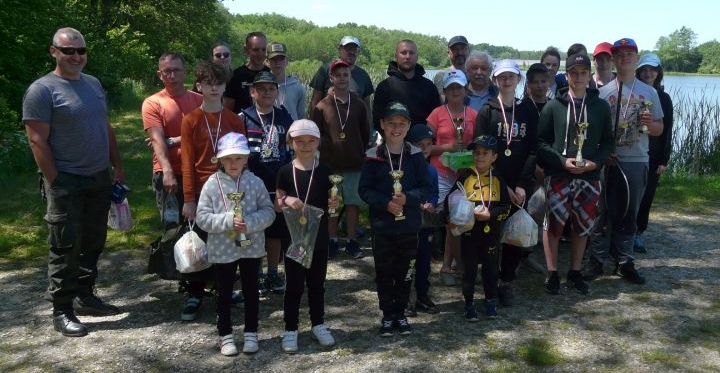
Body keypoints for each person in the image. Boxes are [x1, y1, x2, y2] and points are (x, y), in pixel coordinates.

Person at [23, 27, 124, 337]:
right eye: (69, 51)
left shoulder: (92, 84)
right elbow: (36, 139)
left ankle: (84, 294)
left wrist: (116, 166)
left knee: (93, 241)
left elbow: (104, 126)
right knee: (65, 245)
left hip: (98, 177)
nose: (76, 56)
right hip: (66, 180)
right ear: (54, 51)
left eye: (81, 51)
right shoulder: (42, 90)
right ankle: (62, 309)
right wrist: (55, 180)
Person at [584, 38, 664, 285]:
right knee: (600, 212)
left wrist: (651, 124)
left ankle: (624, 261)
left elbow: (660, 129)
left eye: (630, 54)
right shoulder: (602, 93)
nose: (625, 58)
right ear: (614, 59)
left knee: (629, 212)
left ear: (637, 58)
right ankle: (596, 260)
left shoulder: (649, 92)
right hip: (607, 161)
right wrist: (600, 153)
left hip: (636, 159)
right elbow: (592, 131)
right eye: (619, 54)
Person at [536, 53, 614, 295]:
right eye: (574, 73)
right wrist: (561, 161)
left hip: (589, 177)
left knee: (582, 225)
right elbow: (540, 142)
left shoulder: (600, 106)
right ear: (566, 75)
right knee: (553, 225)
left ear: (589, 75)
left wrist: (596, 164)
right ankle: (552, 273)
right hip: (560, 176)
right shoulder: (553, 106)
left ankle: (575, 271)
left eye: (583, 72)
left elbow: (609, 142)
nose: (579, 77)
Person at [195, 132, 275, 355]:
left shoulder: (255, 182)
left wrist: (249, 223)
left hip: (251, 246)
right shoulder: (212, 185)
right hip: (222, 249)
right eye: (228, 158)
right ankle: (225, 335)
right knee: (224, 292)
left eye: (238, 158)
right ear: (220, 160)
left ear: (246, 158)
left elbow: (269, 212)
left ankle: (251, 332)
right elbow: (202, 218)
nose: (233, 163)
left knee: (251, 291)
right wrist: (228, 220)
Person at [359, 102, 432, 337]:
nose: (396, 128)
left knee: (406, 271)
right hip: (382, 227)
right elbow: (365, 190)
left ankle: (400, 313)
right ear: (381, 125)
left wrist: (407, 198)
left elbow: (427, 188)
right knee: (384, 271)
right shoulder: (372, 156)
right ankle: (387, 315)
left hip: (409, 226)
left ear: (409, 126)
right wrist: (385, 203)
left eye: (401, 124)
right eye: (391, 123)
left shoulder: (417, 156)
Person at [180, 61, 246, 320]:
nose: (214, 88)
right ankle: (195, 292)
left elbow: (243, 158)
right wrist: (188, 199)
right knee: (199, 243)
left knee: (231, 240)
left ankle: (225, 288)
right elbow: (186, 162)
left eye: (219, 83)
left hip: (229, 189)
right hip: (201, 191)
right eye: (208, 84)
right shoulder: (191, 120)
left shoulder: (233, 120)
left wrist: (243, 191)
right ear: (199, 86)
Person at [474, 59, 537, 306]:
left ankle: (506, 281)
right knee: (490, 233)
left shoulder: (527, 110)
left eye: (511, 76)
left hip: (520, 185)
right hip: (493, 182)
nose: (507, 81)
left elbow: (533, 150)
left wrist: (521, 184)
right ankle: (489, 280)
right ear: (495, 80)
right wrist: (503, 185)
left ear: (518, 80)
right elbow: (480, 152)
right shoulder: (487, 111)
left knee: (514, 235)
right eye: (502, 77)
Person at [276, 120, 339, 353]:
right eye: (299, 141)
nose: (305, 145)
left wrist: (335, 203)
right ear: (291, 143)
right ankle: (290, 329)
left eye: (310, 141)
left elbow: (332, 207)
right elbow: (277, 204)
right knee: (293, 286)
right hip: (294, 239)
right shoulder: (284, 171)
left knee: (317, 284)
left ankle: (318, 324)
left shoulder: (326, 171)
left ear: (318, 143)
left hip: (319, 238)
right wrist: (287, 200)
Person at [242, 71, 294, 295]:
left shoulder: (284, 117)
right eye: (261, 89)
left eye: (271, 88)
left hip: (277, 182)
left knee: (275, 231)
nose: (266, 93)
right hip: (252, 183)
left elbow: (292, 149)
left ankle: (273, 272)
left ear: (277, 92)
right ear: (253, 92)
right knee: (253, 230)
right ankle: (255, 273)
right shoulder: (243, 117)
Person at [313, 60, 370, 259]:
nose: (342, 79)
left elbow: (365, 133)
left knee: (353, 203)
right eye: (338, 75)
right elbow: (316, 134)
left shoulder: (359, 104)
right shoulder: (322, 106)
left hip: (354, 163)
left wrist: (359, 151)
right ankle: (332, 240)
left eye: (346, 75)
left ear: (350, 77)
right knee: (332, 204)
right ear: (331, 78)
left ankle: (352, 240)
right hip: (330, 165)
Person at [449, 135, 510, 321]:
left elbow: (506, 207)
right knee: (469, 270)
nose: (480, 157)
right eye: (476, 153)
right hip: (469, 234)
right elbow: (450, 202)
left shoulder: (498, 179)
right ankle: (469, 303)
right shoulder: (465, 176)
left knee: (491, 269)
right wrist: (451, 217)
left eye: (485, 153)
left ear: (494, 157)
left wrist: (490, 215)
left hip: (491, 233)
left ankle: (490, 301)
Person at [426, 70, 476, 286]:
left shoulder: (473, 114)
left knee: (457, 221)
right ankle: (440, 265)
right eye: (451, 87)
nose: (455, 91)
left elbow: (478, 146)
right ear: (444, 91)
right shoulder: (436, 114)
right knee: (441, 220)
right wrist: (448, 147)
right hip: (440, 174)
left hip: (465, 174)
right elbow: (425, 148)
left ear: (466, 89)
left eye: (459, 87)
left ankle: (454, 264)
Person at [634, 53, 673, 253]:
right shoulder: (634, 94)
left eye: (653, 69)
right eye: (645, 69)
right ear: (639, 71)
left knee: (647, 196)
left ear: (658, 72)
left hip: (654, 155)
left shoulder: (664, 98)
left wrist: (664, 159)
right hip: (634, 152)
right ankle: (620, 232)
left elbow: (667, 131)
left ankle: (638, 232)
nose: (648, 73)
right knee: (629, 196)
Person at [405, 124, 440, 315]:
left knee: (424, 261)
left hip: (425, 224)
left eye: (429, 144)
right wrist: (414, 202)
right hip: (408, 223)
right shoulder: (406, 168)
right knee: (407, 261)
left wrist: (432, 204)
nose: (425, 149)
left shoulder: (431, 170)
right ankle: (405, 298)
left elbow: (434, 194)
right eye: (420, 144)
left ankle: (422, 295)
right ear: (410, 145)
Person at [372, 39, 441, 134]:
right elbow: (378, 119)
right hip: (394, 141)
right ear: (396, 56)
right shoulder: (385, 87)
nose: (408, 56)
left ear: (417, 56)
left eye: (411, 53)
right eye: (403, 53)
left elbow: (437, 117)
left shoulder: (429, 86)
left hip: (423, 144)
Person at [309, 36, 374, 125]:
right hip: (327, 132)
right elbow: (314, 102)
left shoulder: (363, 75)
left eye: (354, 49)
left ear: (358, 52)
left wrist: (368, 132)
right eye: (348, 48)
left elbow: (367, 108)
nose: (351, 52)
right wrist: (313, 128)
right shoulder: (325, 70)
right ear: (340, 50)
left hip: (354, 131)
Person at [224, 32, 270, 113]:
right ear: (246, 50)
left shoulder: (270, 75)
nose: (260, 54)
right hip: (240, 124)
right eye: (256, 50)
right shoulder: (235, 76)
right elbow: (227, 111)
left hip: (267, 124)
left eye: (263, 49)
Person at [266, 42, 306, 121]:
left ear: (286, 61)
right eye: (274, 59)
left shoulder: (298, 88)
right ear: (267, 61)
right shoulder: (261, 87)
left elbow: (300, 117)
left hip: (291, 131)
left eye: (281, 59)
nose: (277, 62)